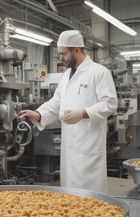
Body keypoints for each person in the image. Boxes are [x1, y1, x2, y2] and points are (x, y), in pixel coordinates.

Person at [19, 30, 118, 193]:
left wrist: (84, 113)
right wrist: (38, 114)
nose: (61, 58)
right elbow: (57, 102)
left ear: (76, 50)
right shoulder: (65, 76)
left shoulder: (99, 73)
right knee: (70, 197)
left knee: (91, 198)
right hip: (70, 147)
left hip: (88, 147)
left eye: (64, 54)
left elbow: (110, 103)